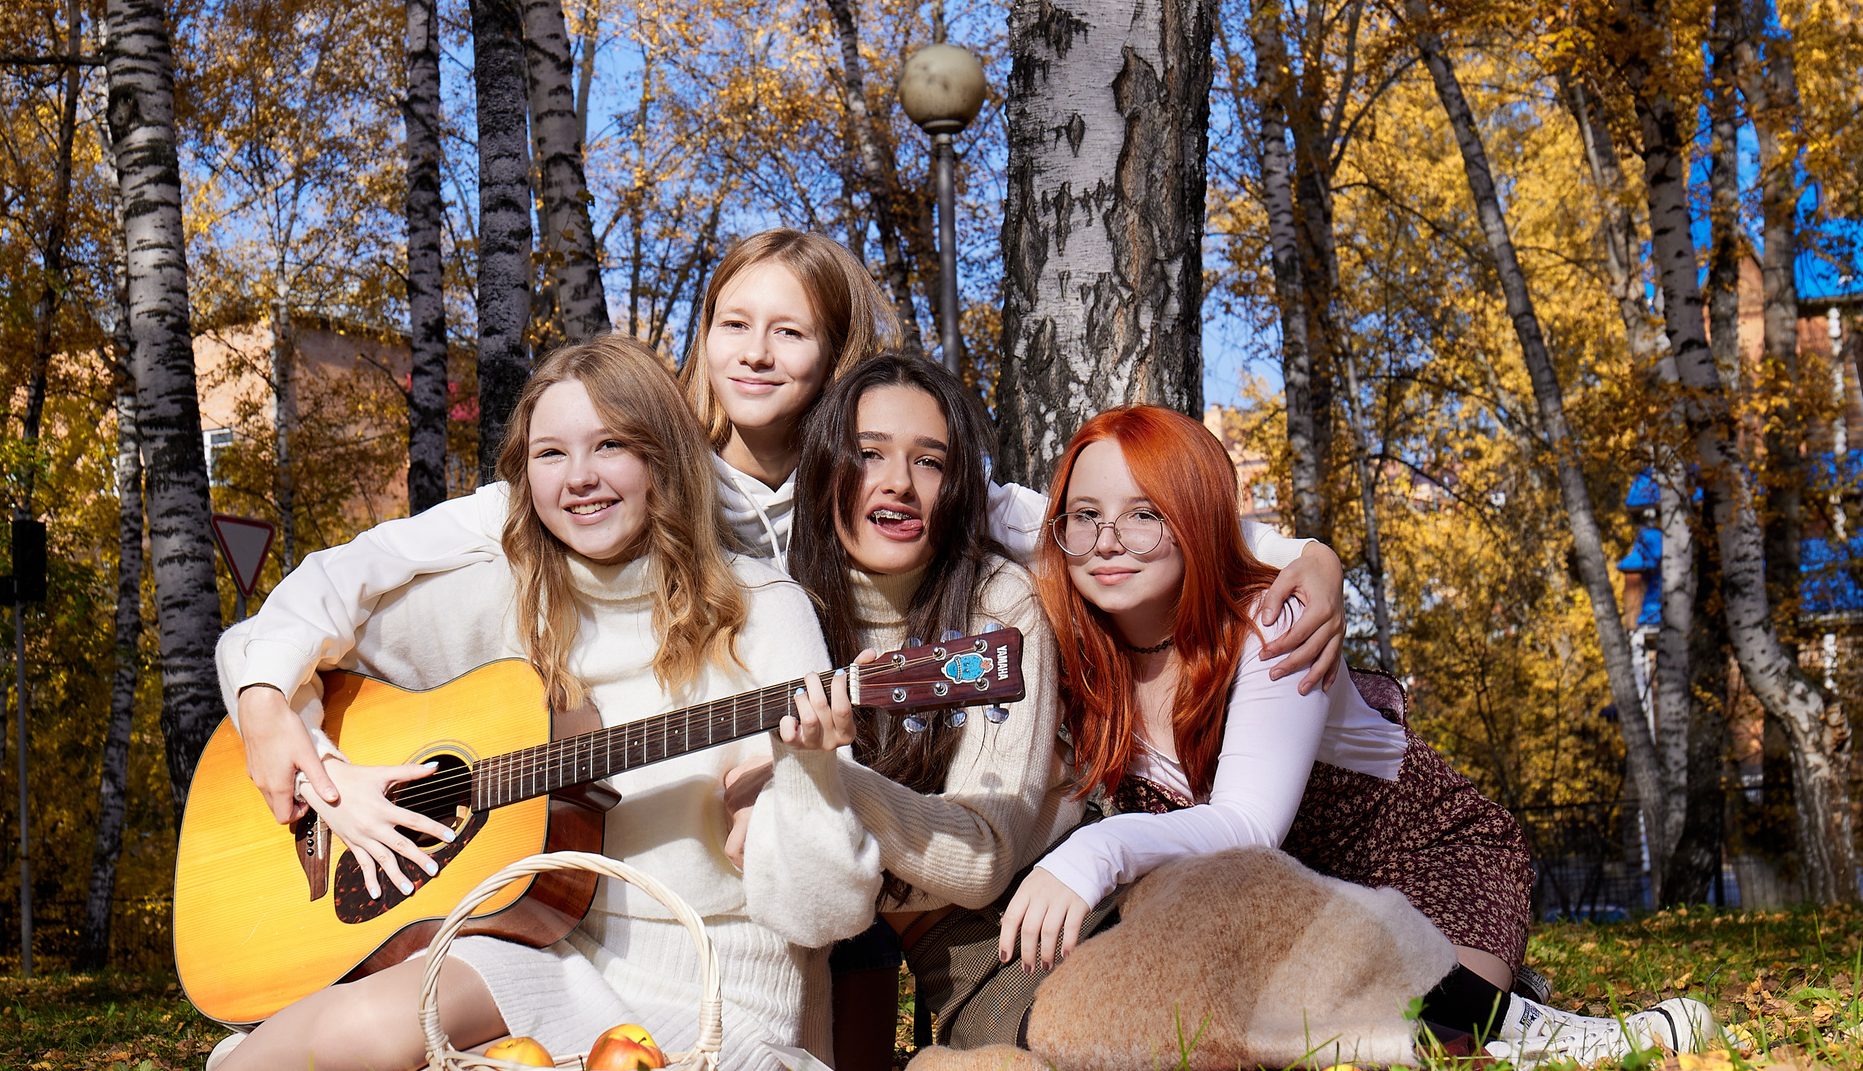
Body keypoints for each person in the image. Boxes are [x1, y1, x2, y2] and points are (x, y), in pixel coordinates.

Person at [3, 339, 880, 1071]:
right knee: (363, 1026)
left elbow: (828, 913)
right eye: (550, 453)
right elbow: (299, 613)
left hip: (717, 993)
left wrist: (811, 776)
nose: (580, 476)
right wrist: (294, 730)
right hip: (554, 949)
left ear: (665, 459)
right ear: (521, 474)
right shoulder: (510, 594)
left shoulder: (764, 612)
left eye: (611, 444)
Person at [214, 229, 1353, 835]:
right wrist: (269, 705)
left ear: (838, 355)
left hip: (776, 814)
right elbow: (349, 573)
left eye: (791, 334)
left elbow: (1049, 518)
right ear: (702, 334)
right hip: (613, 803)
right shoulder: (629, 475)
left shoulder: (872, 490)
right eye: (733, 323)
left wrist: (1303, 554)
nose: (755, 353)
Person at [909, 405, 1715, 1071]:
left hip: (1414, 860)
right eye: (1085, 516)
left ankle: (1575, 1029)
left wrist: (1092, 853)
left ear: (1193, 519)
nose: (1109, 539)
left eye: (1146, 515)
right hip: (1281, 898)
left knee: (1443, 1044)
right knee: (1302, 1049)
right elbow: (948, 491)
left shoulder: (1275, 617)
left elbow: (1249, 825)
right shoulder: (1073, 596)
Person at [728, 352, 1073, 1071]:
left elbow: (981, 859)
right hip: (819, 927)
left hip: (990, 922)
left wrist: (817, 786)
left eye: (929, 461)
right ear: (826, 470)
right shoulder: (772, 605)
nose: (898, 482)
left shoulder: (998, 608)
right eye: (869, 453)